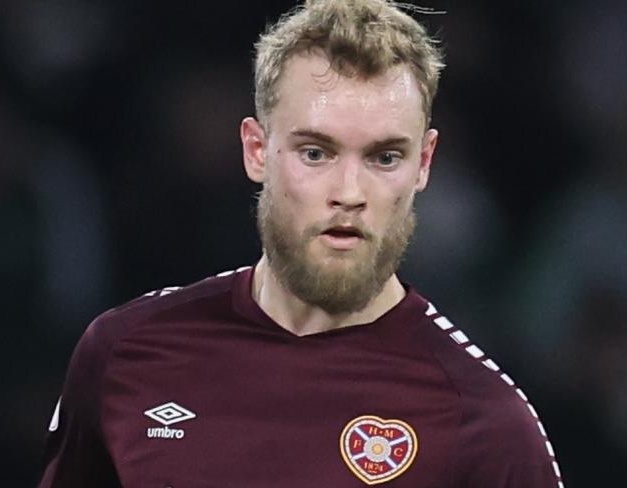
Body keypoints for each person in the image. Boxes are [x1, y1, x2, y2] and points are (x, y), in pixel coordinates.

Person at [38, 1, 564, 486]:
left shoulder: (486, 426)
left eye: (384, 157)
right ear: (256, 150)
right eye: (316, 153)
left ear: (423, 164)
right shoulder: (125, 354)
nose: (349, 193)